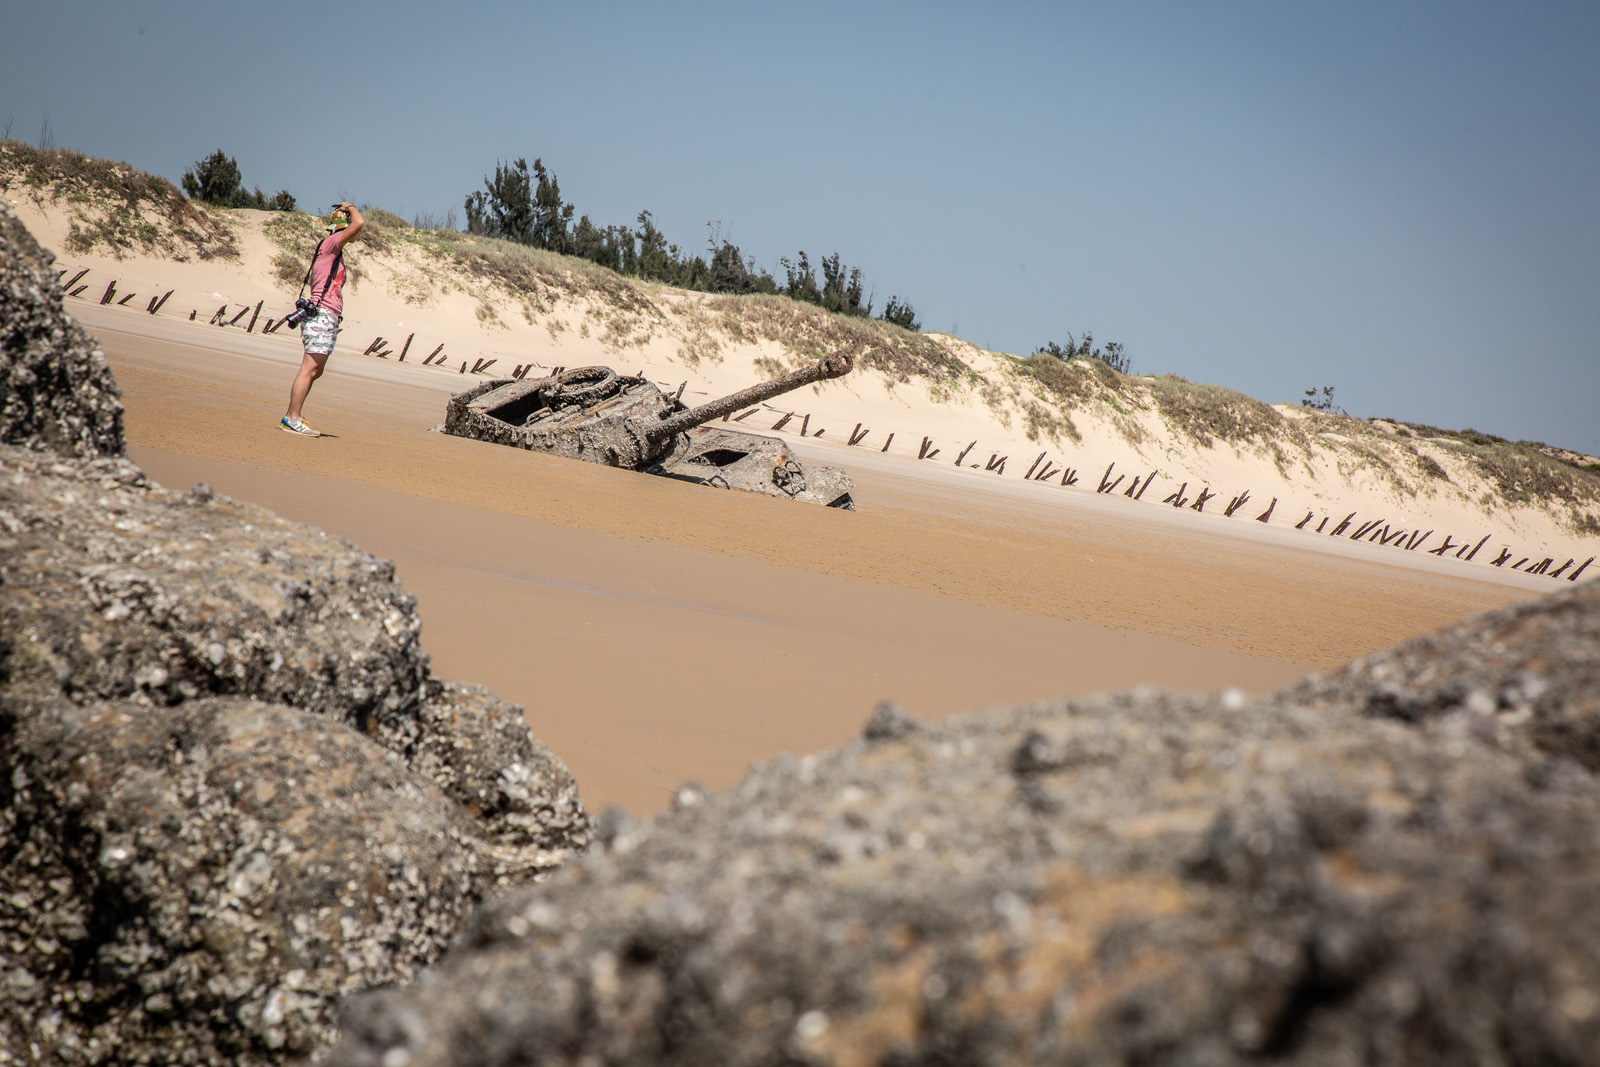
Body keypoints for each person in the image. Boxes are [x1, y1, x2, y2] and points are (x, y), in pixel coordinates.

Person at [280, 201, 363, 436]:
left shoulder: (333, 250)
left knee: (316, 371)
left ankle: (292, 416)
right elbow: (359, 223)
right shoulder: (330, 244)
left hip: (326, 315)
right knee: (309, 369)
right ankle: (291, 418)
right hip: (321, 313)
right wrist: (351, 206)